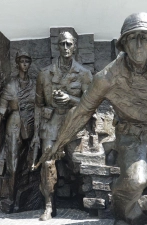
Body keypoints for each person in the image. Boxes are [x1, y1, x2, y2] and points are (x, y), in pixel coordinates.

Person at [36, 12, 147, 225]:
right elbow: (81, 112)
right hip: (131, 133)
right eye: (133, 37)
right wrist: (58, 144)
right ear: (123, 43)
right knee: (136, 180)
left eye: (146, 37)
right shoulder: (107, 77)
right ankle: (130, 214)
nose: (139, 44)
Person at [31, 31, 92, 221]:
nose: (65, 48)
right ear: (57, 47)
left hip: (73, 124)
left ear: (75, 46)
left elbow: (90, 104)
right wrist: (35, 134)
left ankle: (83, 199)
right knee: (47, 162)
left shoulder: (84, 74)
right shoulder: (44, 74)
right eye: (62, 44)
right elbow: (38, 105)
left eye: (68, 44)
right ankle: (49, 206)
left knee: (76, 165)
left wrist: (71, 99)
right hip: (51, 124)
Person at [0, 51, 35, 211]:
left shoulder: (34, 85)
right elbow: (1, 111)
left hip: (30, 124)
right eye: (22, 61)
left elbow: (39, 106)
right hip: (14, 124)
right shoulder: (10, 85)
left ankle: (26, 196)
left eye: (27, 61)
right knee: (13, 164)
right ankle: (10, 198)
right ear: (17, 63)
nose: (24, 64)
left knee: (29, 163)